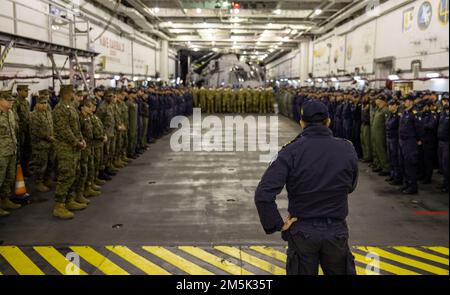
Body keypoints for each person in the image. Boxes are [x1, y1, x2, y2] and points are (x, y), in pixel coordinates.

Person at [255, 100, 358, 275]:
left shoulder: (290, 151)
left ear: (302, 122)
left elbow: (263, 194)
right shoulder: (346, 148)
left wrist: (277, 224)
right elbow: (351, 185)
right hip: (336, 231)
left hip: (303, 231)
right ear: (328, 121)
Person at [52, 85, 87, 220]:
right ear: (67, 93)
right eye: (73, 92)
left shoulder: (70, 107)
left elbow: (76, 127)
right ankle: (59, 206)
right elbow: (63, 130)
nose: (75, 94)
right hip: (65, 147)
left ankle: (69, 200)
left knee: (74, 173)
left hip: (74, 146)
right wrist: (75, 141)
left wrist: (81, 139)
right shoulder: (60, 109)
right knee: (66, 174)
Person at [0, 90, 21, 217]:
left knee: (9, 177)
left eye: (12, 100)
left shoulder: (11, 113)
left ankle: (5, 200)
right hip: (1, 153)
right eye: (8, 100)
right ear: (1, 100)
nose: (11, 102)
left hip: (11, 150)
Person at [30, 90, 55, 192]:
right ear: (37, 104)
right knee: (40, 165)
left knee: (50, 163)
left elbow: (51, 125)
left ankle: (47, 179)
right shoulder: (34, 115)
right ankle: (38, 183)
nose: (44, 105)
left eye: (45, 103)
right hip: (40, 145)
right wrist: (49, 137)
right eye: (42, 103)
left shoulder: (48, 112)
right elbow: (37, 131)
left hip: (49, 143)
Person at [398, 95, 424, 195]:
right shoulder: (405, 112)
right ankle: (406, 184)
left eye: (407, 101)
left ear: (411, 102)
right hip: (403, 141)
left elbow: (419, 127)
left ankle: (413, 187)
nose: (405, 102)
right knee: (403, 164)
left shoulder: (415, 113)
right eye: (404, 101)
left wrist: (419, 139)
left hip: (410, 142)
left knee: (410, 165)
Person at [437, 94, 449, 193]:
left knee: (447, 165)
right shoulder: (443, 113)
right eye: (444, 101)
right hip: (441, 142)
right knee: (442, 165)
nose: (445, 103)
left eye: (447, 101)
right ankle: (445, 183)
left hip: (447, 143)